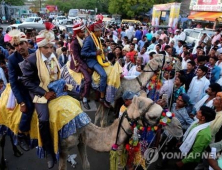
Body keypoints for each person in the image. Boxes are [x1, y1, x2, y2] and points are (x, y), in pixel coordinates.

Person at [19, 23, 59, 168]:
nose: (49, 50)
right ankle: (48, 151)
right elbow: (26, 81)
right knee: (43, 118)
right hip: (38, 92)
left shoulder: (54, 56)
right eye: (45, 47)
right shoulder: (30, 61)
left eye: (51, 47)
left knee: (75, 99)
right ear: (39, 47)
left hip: (54, 88)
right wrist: (44, 93)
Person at [7, 30, 35, 151]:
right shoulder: (12, 59)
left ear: (27, 43)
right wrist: (21, 102)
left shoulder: (36, 53)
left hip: (37, 86)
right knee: (28, 108)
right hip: (22, 88)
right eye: (16, 45)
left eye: (21, 44)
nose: (19, 47)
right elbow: (13, 82)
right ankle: (21, 133)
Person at [81, 21, 110, 108]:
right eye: (100, 31)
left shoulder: (96, 38)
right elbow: (83, 53)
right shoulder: (89, 40)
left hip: (98, 59)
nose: (101, 32)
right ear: (96, 31)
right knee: (104, 75)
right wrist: (95, 53)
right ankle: (101, 97)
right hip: (92, 61)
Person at [70, 23, 91, 109]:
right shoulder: (74, 43)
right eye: (82, 32)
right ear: (77, 33)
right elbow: (77, 57)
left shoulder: (82, 40)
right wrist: (86, 67)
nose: (84, 33)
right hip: (78, 63)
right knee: (88, 79)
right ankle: (84, 98)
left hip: (84, 61)